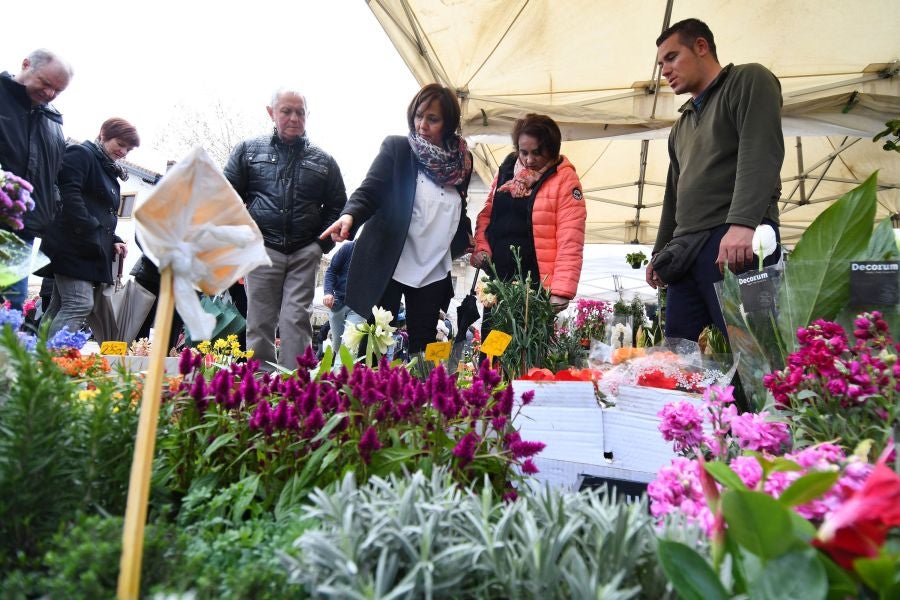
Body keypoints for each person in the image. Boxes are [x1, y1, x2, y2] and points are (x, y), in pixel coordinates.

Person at [646, 18, 784, 341]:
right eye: (661, 64)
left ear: (701, 46)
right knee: (679, 356)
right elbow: (673, 194)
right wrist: (660, 251)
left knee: (755, 351)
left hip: (737, 238)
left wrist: (743, 224)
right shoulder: (680, 126)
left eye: (671, 57)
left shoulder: (748, 80)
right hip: (685, 250)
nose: (665, 71)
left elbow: (761, 151)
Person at [320, 83, 474, 356]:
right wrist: (349, 215)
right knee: (374, 342)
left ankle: (425, 386)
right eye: (418, 115)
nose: (422, 125)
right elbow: (370, 190)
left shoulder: (462, 162)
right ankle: (368, 385)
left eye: (433, 119)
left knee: (425, 348)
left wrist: (466, 235)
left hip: (433, 267)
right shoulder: (398, 149)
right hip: (390, 262)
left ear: (449, 123)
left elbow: (458, 206)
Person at [224, 88, 347, 371]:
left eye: (300, 112)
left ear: (307, 115)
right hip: (261, 249)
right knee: (259, 319)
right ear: (271, 113)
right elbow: (226, 195)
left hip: (305, 251)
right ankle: (261, 382)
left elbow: (338, 206)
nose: (294, 118)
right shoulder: (248, 151)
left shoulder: (324, 161)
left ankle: (294, 381)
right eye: (286, 111)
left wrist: (320, 246)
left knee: (296, 318)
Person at [470, 113, 587, 337]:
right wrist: (482, 249)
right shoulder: (506, 169)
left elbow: (571, 238)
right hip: (499, 281)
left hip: (535, 287)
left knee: (527, 349)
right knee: (493, 348)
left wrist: (561, 290)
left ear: (552, 149)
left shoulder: (564, 179)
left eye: (537, 152)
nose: (530, 160)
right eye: (524, 152)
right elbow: (486, 215)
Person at [40, 118, 140, 336]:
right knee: (79, 303)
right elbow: (69, 195)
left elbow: (100, 211)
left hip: (85, 245)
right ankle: (52, 356)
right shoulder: (81, 154)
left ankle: (39, 354)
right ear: (103, 134)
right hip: (72, 244)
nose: (123, 152)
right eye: (120, 144)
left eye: (128, 149)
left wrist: (113, 239)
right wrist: (93, 229)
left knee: (59, 305)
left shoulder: (107, 168)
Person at [0, 49, 73, 310]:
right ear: (26, 64)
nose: (50, 94)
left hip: (23, 229)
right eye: (45, 83)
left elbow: (53, 174)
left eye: (58, 91)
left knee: (13, 303)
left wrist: (53, 204)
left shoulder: (53, 120)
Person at [322, 239, 354, 350]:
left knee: (348, 346)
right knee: (337, 346)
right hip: (338, 303)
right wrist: (328, 292)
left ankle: (342, 361)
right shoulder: (348, 247)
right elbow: (331, 271)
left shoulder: (374, 253)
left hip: (358, 306)